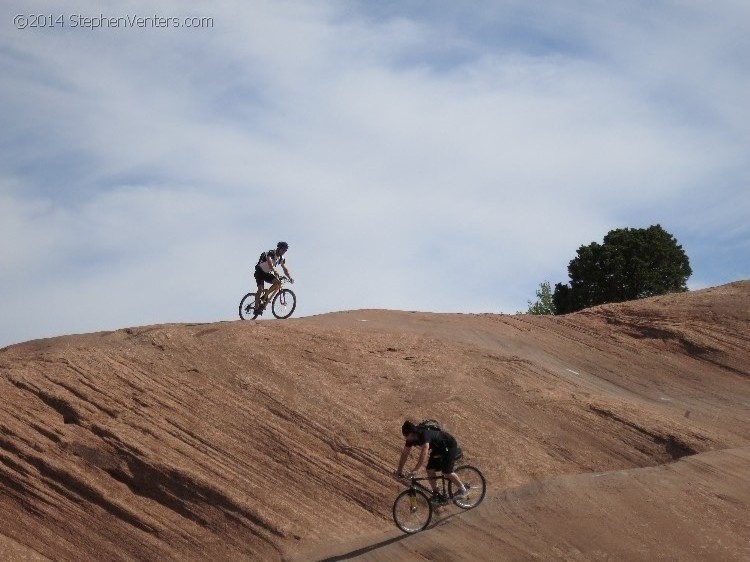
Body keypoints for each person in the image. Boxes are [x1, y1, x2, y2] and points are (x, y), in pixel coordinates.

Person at [395, 420, 467, 502]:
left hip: (449, 445)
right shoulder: (410, 439)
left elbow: (424, 453)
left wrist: (415, 470)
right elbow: (405, 454)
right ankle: (436, 494)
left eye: (405, 436)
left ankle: (462, 489)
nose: (405, 438)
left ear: (411, 434)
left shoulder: (424, 435)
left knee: (447, 472)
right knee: (430, 470)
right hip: (438, 449)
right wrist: (399, 470)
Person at [254, 241, 293, 314]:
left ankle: (265, 296)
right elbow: (269, 261)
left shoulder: (281, 258)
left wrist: (289, 277)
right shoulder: (271, 252)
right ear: (278, 248)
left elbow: (284, 268)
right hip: (259, 271)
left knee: (278, 282)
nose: (284, 251)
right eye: (283, 249)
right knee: (260, 289)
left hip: (266, 273)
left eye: (285, 250)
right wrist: (274, 270)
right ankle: (256, 309)